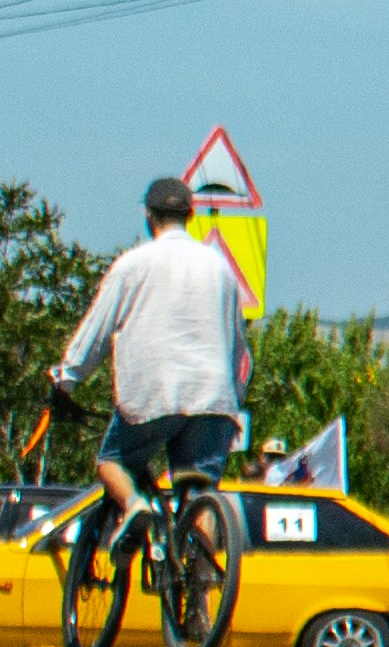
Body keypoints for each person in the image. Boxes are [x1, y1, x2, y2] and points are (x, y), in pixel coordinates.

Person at [49, 175, 258, 567]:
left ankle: (133, 507)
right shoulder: (221, 270)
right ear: (190, 215)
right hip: (214, 399)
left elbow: (96, 331)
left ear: (149, 217)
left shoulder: (133, 265)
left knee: (111, 461)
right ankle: (200, 590)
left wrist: (67, 380)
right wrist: (234, 398)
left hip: (152, 398)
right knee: (199, 493)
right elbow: (238, 347)